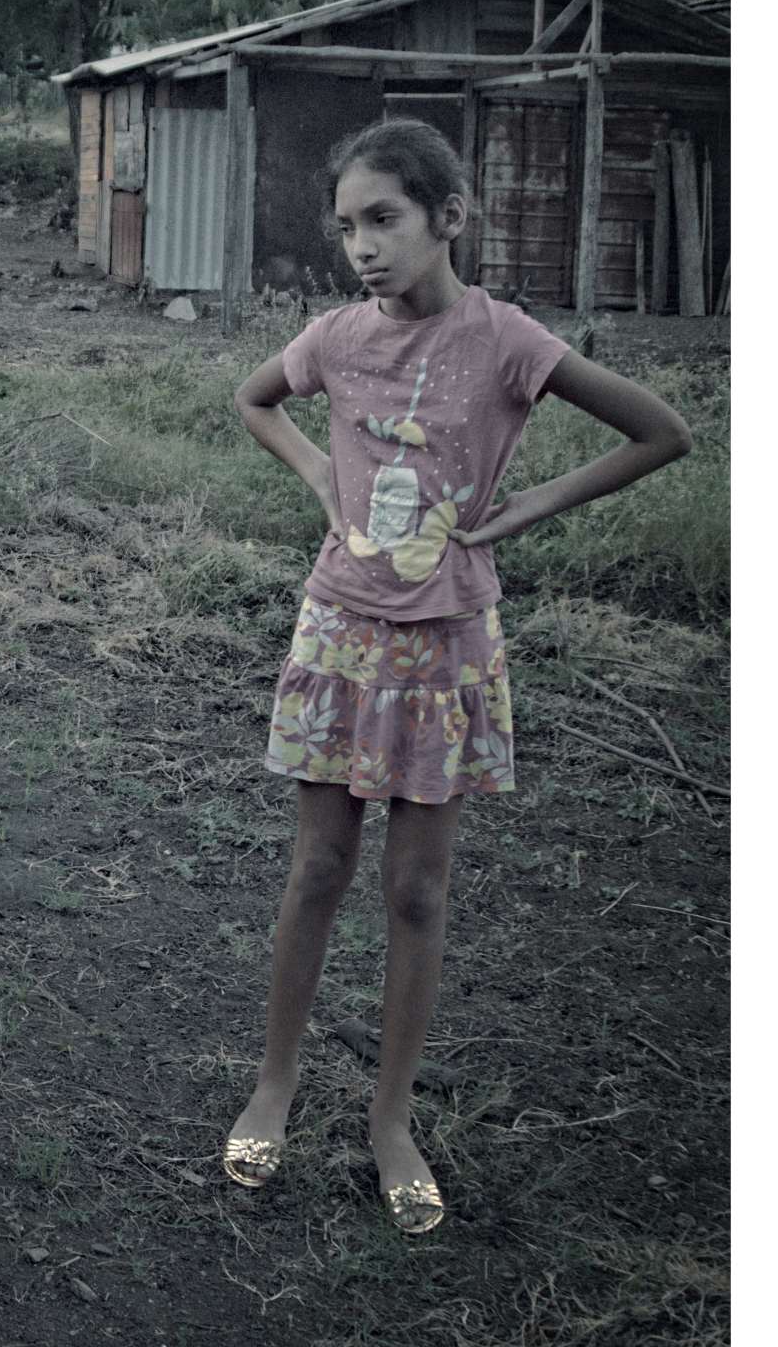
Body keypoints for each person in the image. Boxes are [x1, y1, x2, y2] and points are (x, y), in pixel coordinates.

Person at [225, 118, 692, 1234]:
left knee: (418, 893)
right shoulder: (336, 338)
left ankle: (391, 1120)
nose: (364, 248)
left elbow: (661, 433)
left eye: (385, 219)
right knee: (318, 872)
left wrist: (528, 508)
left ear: (450, 218)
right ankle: (276, 1085)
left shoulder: (508, 341)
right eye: (347, 228)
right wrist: (323, 488)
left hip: (446, 647)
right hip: (340, 634)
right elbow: (255, 401)